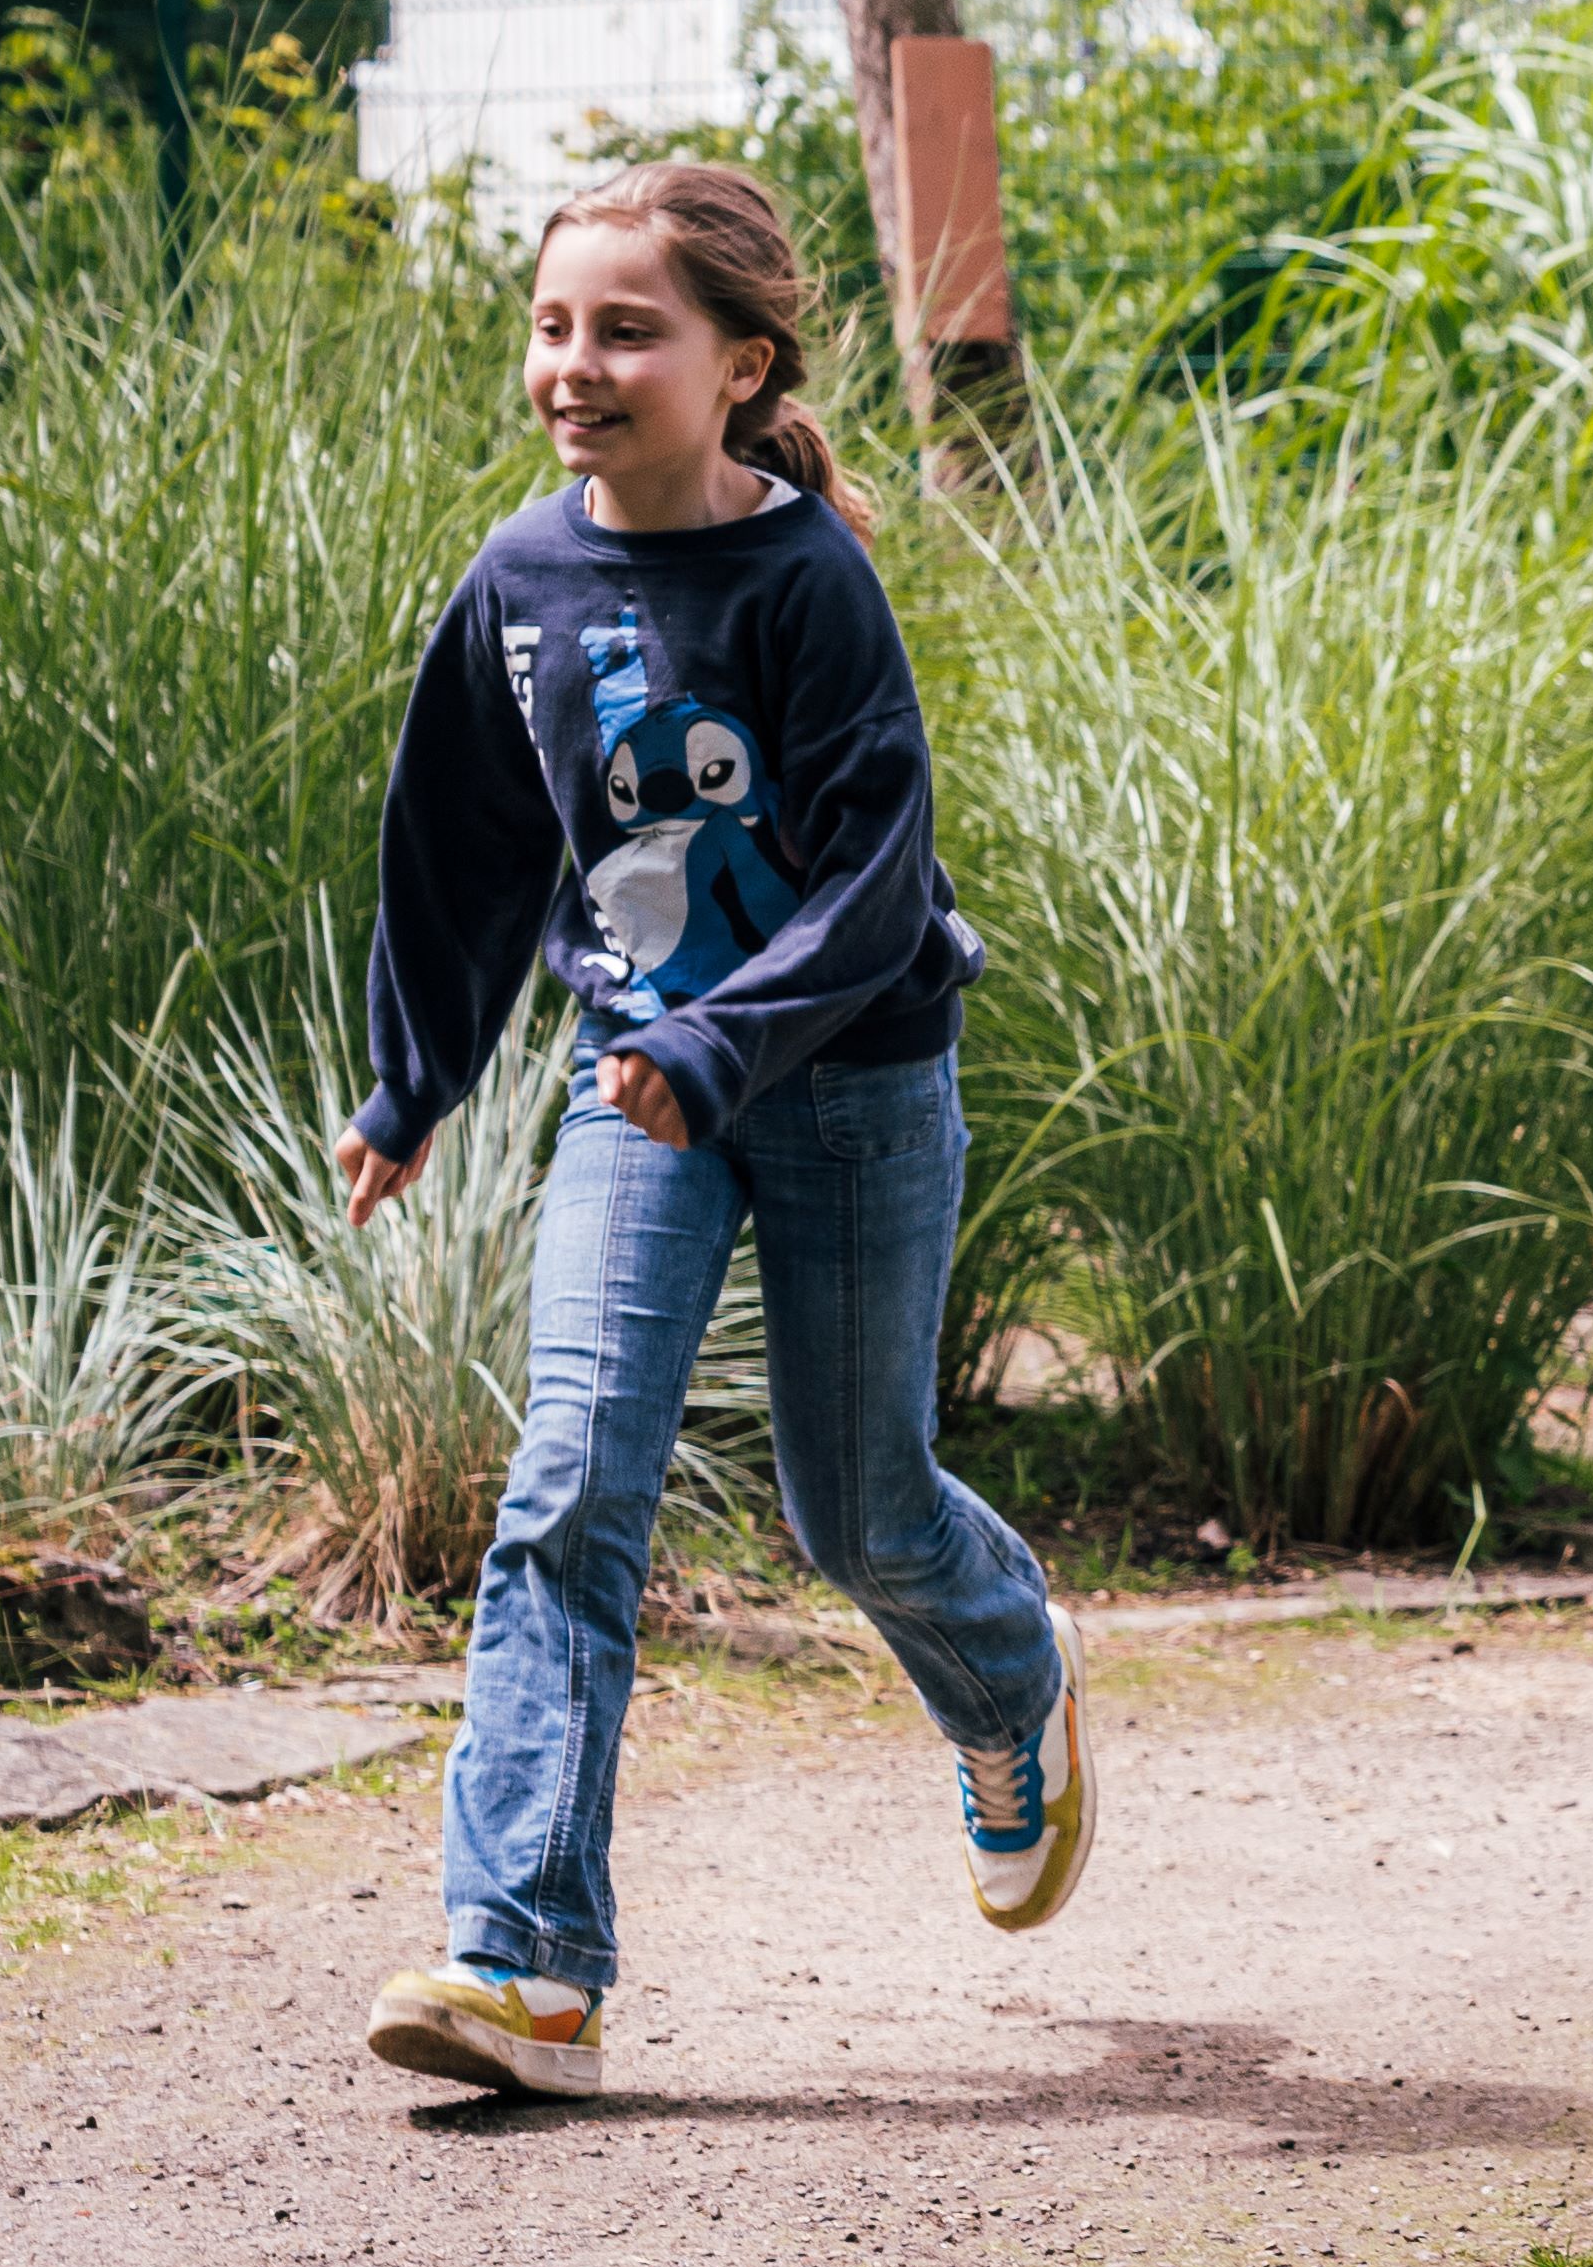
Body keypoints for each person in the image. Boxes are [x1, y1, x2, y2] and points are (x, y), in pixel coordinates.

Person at [333, 161, 1086, 2101]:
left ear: (739, 365)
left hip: (845, 1082)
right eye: (553, 324)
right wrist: (414, 1084)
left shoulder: (809, 578)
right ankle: (525, 1969)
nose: (575, 364)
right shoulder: (519, 586)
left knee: (861, 1511)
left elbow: (878, 875)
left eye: (627, 330)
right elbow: (464, 854)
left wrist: (728, 1040)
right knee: (570, 1477)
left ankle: (1012, 1684)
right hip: (636, 1091)